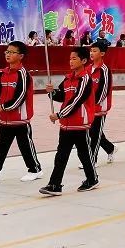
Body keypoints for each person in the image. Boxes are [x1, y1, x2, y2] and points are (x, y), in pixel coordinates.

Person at [0, 41, 43, 184]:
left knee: (25, 146)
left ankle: (35, 169)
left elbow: (20, 96)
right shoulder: (3, 73)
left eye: (12, 52)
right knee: (1, 147)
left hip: (20, 118)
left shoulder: (23, 75)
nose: (8, 54)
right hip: (6, 119)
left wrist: (4, 107)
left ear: (21, 56)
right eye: (7, 52)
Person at [40, 47, 98, 195]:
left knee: (84, 154)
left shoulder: (85, 79)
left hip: (80, 122)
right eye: (70, 58)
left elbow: (76, 101)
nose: (71, 61)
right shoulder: (68, 78)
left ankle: (92, 179)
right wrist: (52, 92)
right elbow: (61, 96)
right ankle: (55, 184)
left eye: (74, 58)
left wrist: (59, 115)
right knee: (61, 155)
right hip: (66, 124)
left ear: (84, 61)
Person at [84, 40, 116, 165]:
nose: (91, 53)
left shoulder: (105, 70)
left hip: (100, 108)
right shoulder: (87, 69)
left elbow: (104, 90)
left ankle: (92, 159)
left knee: (95, 134)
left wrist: (93, 103)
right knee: (93, 132)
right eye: (91, 50)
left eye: (95, 51)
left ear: (102, 53)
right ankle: (110, 148)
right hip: (88, 107)